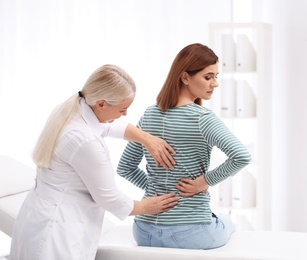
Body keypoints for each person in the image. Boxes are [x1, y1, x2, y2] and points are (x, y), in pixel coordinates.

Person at [10, 64, 179, 260]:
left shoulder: (71, 110)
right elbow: (108, 197)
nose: (125, 115)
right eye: (123, 109)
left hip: (36, 218)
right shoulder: (84, 141)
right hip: (57, 232)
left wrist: (146, 138)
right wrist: (146, 207)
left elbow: (109, 125)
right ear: (101, 104)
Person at [117, 43, 251, 250]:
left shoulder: (149, 115)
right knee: (228, 222)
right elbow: (242, 156)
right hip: (190, 233)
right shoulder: (202, 118)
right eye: (208, 77)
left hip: (143, 231)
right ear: (185, 77)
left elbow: (125, 168)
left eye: (217, 76)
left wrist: (158, 191)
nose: (215, 84)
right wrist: (204, 182)